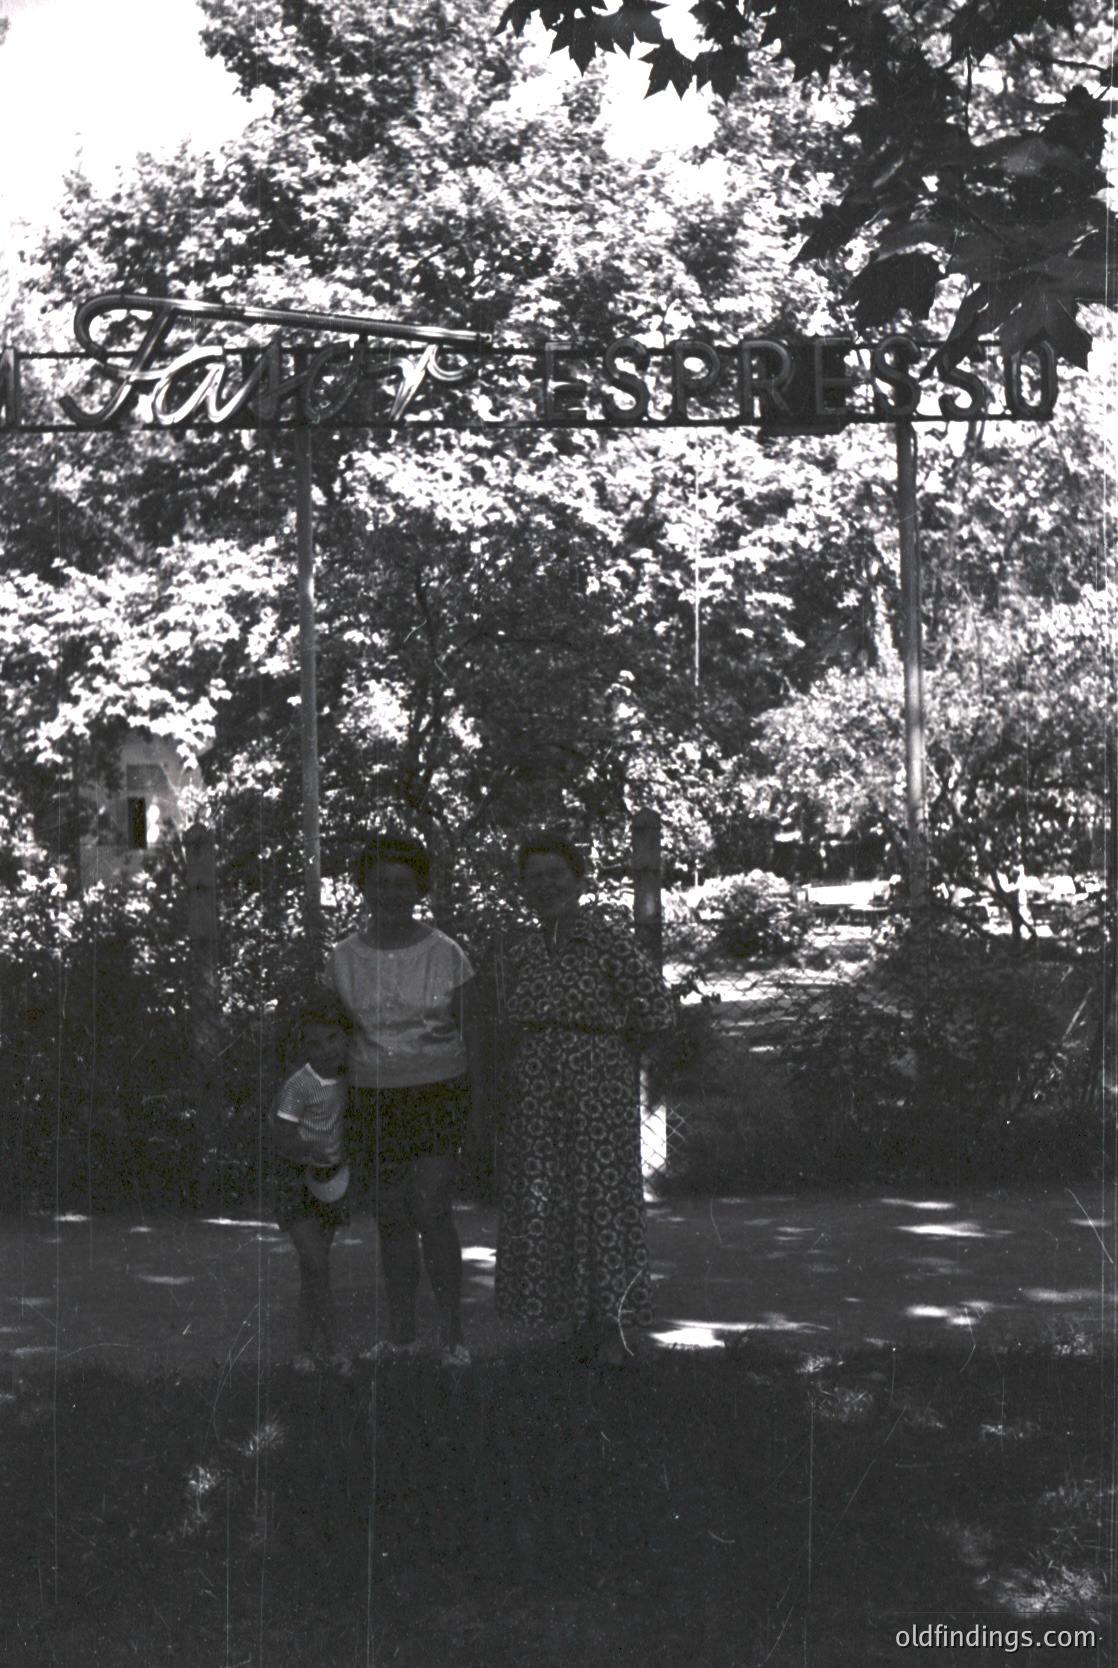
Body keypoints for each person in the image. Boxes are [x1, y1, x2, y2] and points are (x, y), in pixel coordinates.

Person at [493, 831, 674, 1365]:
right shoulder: (519, 949)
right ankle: (573, 1321)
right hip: (535, 1090)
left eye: (557, 875)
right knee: (547, 1198)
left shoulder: (606, 938)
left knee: (601, 1199)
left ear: (578, 880)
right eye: (535, 876)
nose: (546, 886)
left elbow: (656, 1011)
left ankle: (612, 1328)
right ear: (522, 887)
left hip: (598, 1084)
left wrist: (608, 1057)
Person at [325, 834, 480, 1365]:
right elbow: (334, 1035)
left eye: (403, 883)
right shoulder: (341, 958)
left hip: (436, 1092)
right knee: (391, 1217)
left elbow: (473, 1033)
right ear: (364, 888)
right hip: (374, 1098)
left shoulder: (446, 953)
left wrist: (480, 1111)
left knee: (432, 1210)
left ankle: (453, 1335)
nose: (391, 893)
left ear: (420, 889)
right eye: (380, 883)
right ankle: (402, 1333)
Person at [269, 993, 352, 1371]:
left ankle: (304, 1351)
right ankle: (335, 1348)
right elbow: (282, 1137)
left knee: (313, 1269)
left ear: (345, 1037)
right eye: (315, 1043)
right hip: (296, 1181)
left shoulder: (353, 1077)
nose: (325, 1049)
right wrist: (308, 1151)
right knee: (316, 1264)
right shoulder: (299, 1085)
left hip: (332, 1182)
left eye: (332, 1038)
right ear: (304, 1045)